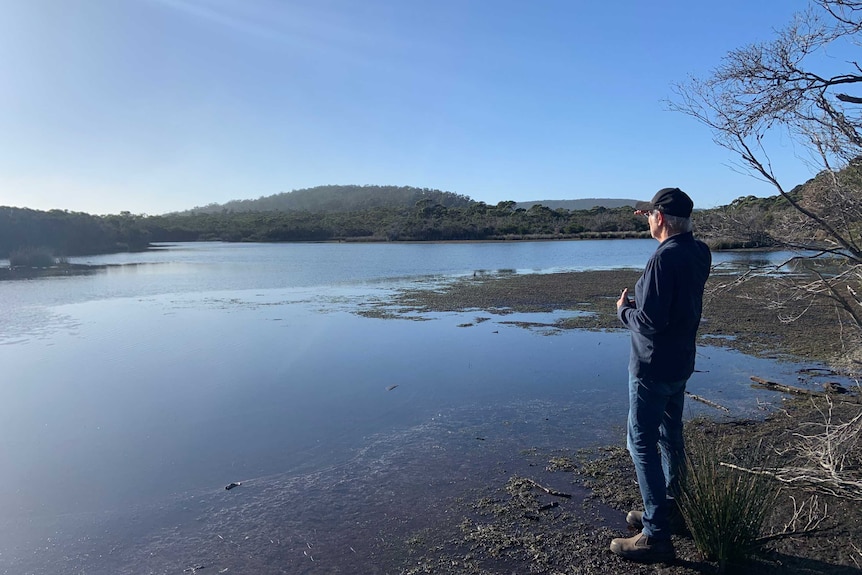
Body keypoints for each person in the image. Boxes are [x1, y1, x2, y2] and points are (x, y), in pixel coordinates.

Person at [610, 187, 711, 562]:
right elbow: (671, 307)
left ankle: (655, 534)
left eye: (651, 215)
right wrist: (646, 304)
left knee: (640, 443)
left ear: (661, 219)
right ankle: (671, 508)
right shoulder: (700, 252)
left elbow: (650, 322)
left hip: (652, 368)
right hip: (680, 363)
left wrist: (623, 310)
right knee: (671, 437)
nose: (649, 221)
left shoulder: (662, 259)